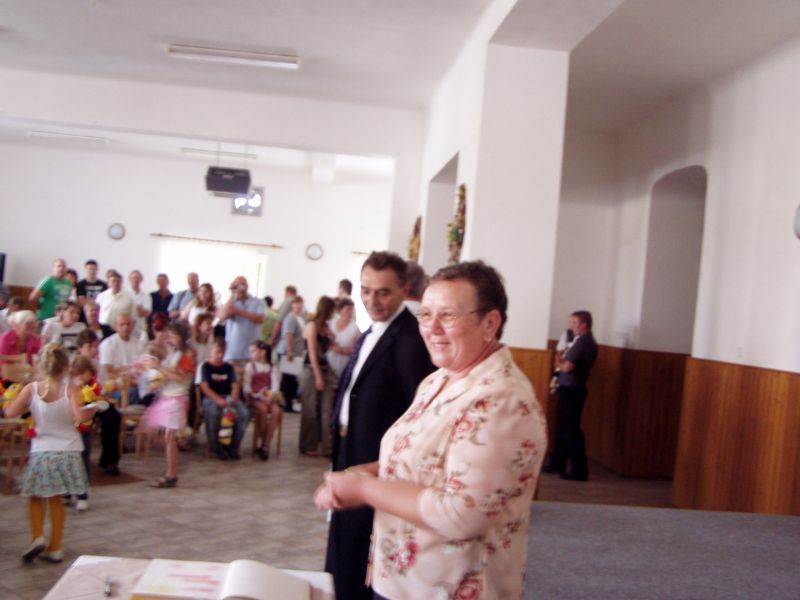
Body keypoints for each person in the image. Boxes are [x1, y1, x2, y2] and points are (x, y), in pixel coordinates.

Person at [316, 260, 547, 600]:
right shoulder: (439, 379)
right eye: (425, 315)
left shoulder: (501, 399)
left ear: (490, 323)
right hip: (405, 579)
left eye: (448, 315)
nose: (432, 328)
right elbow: (428, 458)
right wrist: (368, 472)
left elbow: (463, 513)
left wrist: (366, 489)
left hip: (449, 587)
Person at [323, 250, 435, 600]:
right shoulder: (373, 329)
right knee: (342, 537)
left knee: (360, 545)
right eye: (365, 290)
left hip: (376, 458)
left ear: (404, 289)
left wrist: (384, 462)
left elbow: (419, 411)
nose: (372, 300)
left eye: (383, 292)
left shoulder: (410, 340)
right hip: (350, 445)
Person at [3, 344, 101, 564]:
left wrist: (16, 402)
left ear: (41, 365)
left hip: (42, 450)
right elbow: (81, 418)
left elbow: (10, 412)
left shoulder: (31, 388)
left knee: (35, 496)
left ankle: (37, 536)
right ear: (66, 367)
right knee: (56, 498)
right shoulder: (71, 389)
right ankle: (55, 547)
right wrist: (93, 408)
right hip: (68, 450)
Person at [543, 310, 599, 481]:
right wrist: (561, 361)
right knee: (563, 428)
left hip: (572, 390)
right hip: (569, 388)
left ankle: (579, 470)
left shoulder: (583, 342)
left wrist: (558, 362)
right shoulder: (580, 340)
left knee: (571, 430)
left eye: (574, 323)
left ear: (584, 325)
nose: (571, 326)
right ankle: (557, 464)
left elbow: (567, 367)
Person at [141, 321, 195, 488]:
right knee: (150, 427)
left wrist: (159, 367)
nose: (170, 339)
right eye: (169, 335)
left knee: (169, 436)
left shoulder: (187, 355)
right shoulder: (173, 353)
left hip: (177, 398)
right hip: (167, 396)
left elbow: (180, 377)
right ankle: (174, 459)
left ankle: (171, 474)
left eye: (173, 336)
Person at [298, 296, 336, 457]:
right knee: (310, 409)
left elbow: (331, 347)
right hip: (311, 370)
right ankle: (307, 444)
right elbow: (312, 353)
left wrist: (331, 336)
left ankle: (327, 447)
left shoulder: (326, 327)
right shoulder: (312, 325)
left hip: (326, 369)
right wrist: (318, 376)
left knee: (327, 410)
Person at [199, 338, 249, 460]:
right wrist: (218, 400)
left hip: (228, 397)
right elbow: (205, 387)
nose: (220, 355)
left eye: (223, 352)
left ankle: (233, 448)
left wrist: (233, 398)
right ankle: (215, 448)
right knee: (214, 413)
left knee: (244, 414)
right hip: (211, 398)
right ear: (211, 351)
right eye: (218, 352)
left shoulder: (228, 367)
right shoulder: (205, 367)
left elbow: (235, 385)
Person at [243, 340, 282, 461]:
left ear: (263, 352)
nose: (251, 354)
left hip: (268, 397)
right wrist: (254, 394)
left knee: (276, 411)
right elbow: (246, 385)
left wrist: (271, 396)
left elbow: (275, 385)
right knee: (263, 410)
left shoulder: (272, 367)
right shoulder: (250, 366)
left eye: (254, 351)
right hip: (255, 397)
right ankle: (264, 441)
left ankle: (265, 445)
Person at [219, 276, 265, 372]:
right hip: (233, 351)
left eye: (242, 284)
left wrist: (239, 312)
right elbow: (223, 316)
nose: (240, 287)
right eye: (237, 285)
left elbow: (260, 319)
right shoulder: (231, 303)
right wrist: (232, 293)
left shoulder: (257, 302)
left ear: (247, 286)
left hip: (252, 351)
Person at [277, 295, 305, 413]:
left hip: (297, 353)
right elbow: (289, 335)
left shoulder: (300, 318)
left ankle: (289, 402)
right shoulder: (290, 318)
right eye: (296, 303)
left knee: (292, 379)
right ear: (292, 305)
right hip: (288, 352)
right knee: (288, 379)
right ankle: (286, 403)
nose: (299, 305)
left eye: (301, 303)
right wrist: (290, 351)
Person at [326, 297, 360, 378]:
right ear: (340, 310)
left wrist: (342, 350)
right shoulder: (329, 324)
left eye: (352, 309)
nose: (351, 312)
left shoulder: (355, 328)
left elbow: (358, 348)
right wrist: (330, 346)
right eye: (348, 309)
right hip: (327, 365)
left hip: (344, 367)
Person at [128, 269, 152, 338]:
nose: (135, 280)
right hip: (127, 328)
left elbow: (146, 313)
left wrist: (134, 307)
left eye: (137, 278)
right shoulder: (125, 294)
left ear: (141, 280)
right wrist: (139, 308)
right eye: (133, 278)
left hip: (140, 328)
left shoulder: (146, 295)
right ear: (130, 279)